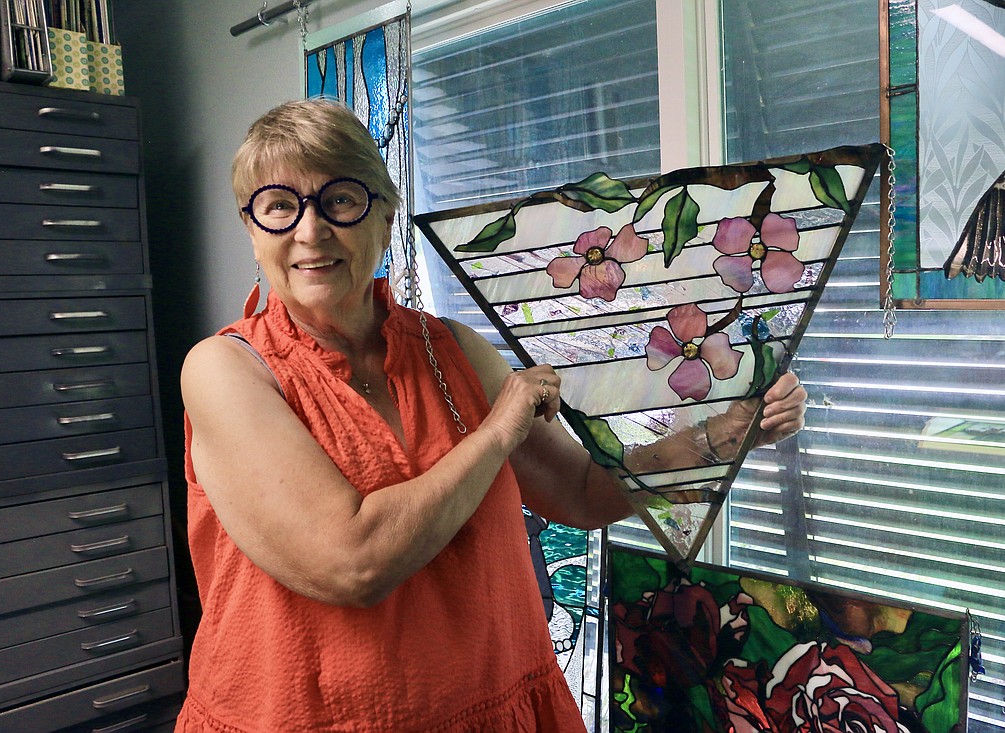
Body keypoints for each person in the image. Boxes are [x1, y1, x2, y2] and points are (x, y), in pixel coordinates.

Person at [174, 98, 808, 733]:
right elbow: (350, 562)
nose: (310, 231)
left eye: (340, 200)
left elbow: (582, 492)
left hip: (494, 704)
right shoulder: (226, 370)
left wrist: (723, 432)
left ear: (386, 214)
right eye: (280, 206)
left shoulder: (452, 349)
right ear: (252, 228)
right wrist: (499, 430)